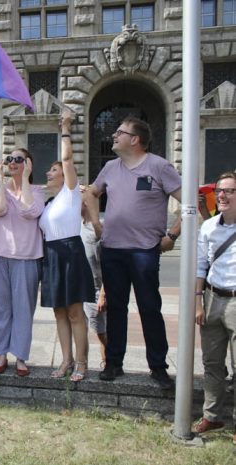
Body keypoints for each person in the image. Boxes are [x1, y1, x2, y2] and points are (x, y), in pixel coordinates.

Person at [85, 116, 181, 389]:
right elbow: (91, 193)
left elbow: (188, 202)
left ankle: (158, 367)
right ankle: (114, 363)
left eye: (119, 132)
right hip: (113, 250)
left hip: (144, 252)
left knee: (150, 308)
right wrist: (96, 224)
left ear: (135, 139)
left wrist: (172, 235)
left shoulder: (159, 167)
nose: (113, 135)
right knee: (116, 309)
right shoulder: (110, 167)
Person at [39, 111, 95, 382]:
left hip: (70, 252)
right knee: (59, 312)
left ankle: (82, 363)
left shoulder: (71, 193)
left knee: (75, 312)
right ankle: (66, 360)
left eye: (53, 170)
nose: (48, 173)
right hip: (51, 255)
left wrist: (65, 128)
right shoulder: (49, 204)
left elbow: (67, 158)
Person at [0, 149, 45, 377]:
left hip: (27, 257)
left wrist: (26, 181)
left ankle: (20, 357)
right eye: (9, 159)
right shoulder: (1, 189)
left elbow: (31, 210)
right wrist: (1, 180)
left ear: (28, 164)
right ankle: (1, 355)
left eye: (19, 159)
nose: (13, 162)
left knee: (23, 309)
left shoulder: (38, 191)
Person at [193, 172, 236, 437]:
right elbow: (200, 266)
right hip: (211, 298)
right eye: (220, 190)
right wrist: (198, 302)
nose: (222, 195)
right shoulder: (208, 227)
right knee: (212, 363)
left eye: (230, 191)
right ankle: (212, 416)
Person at [79, 187, 108, 365]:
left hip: (98, 290)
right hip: (83, 289)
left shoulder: (98, 229)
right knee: (90, 329)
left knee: (102, 332)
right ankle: (90, 362)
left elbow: (108, 266)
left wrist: (104, 294)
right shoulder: (78, 225)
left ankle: (108, 361)